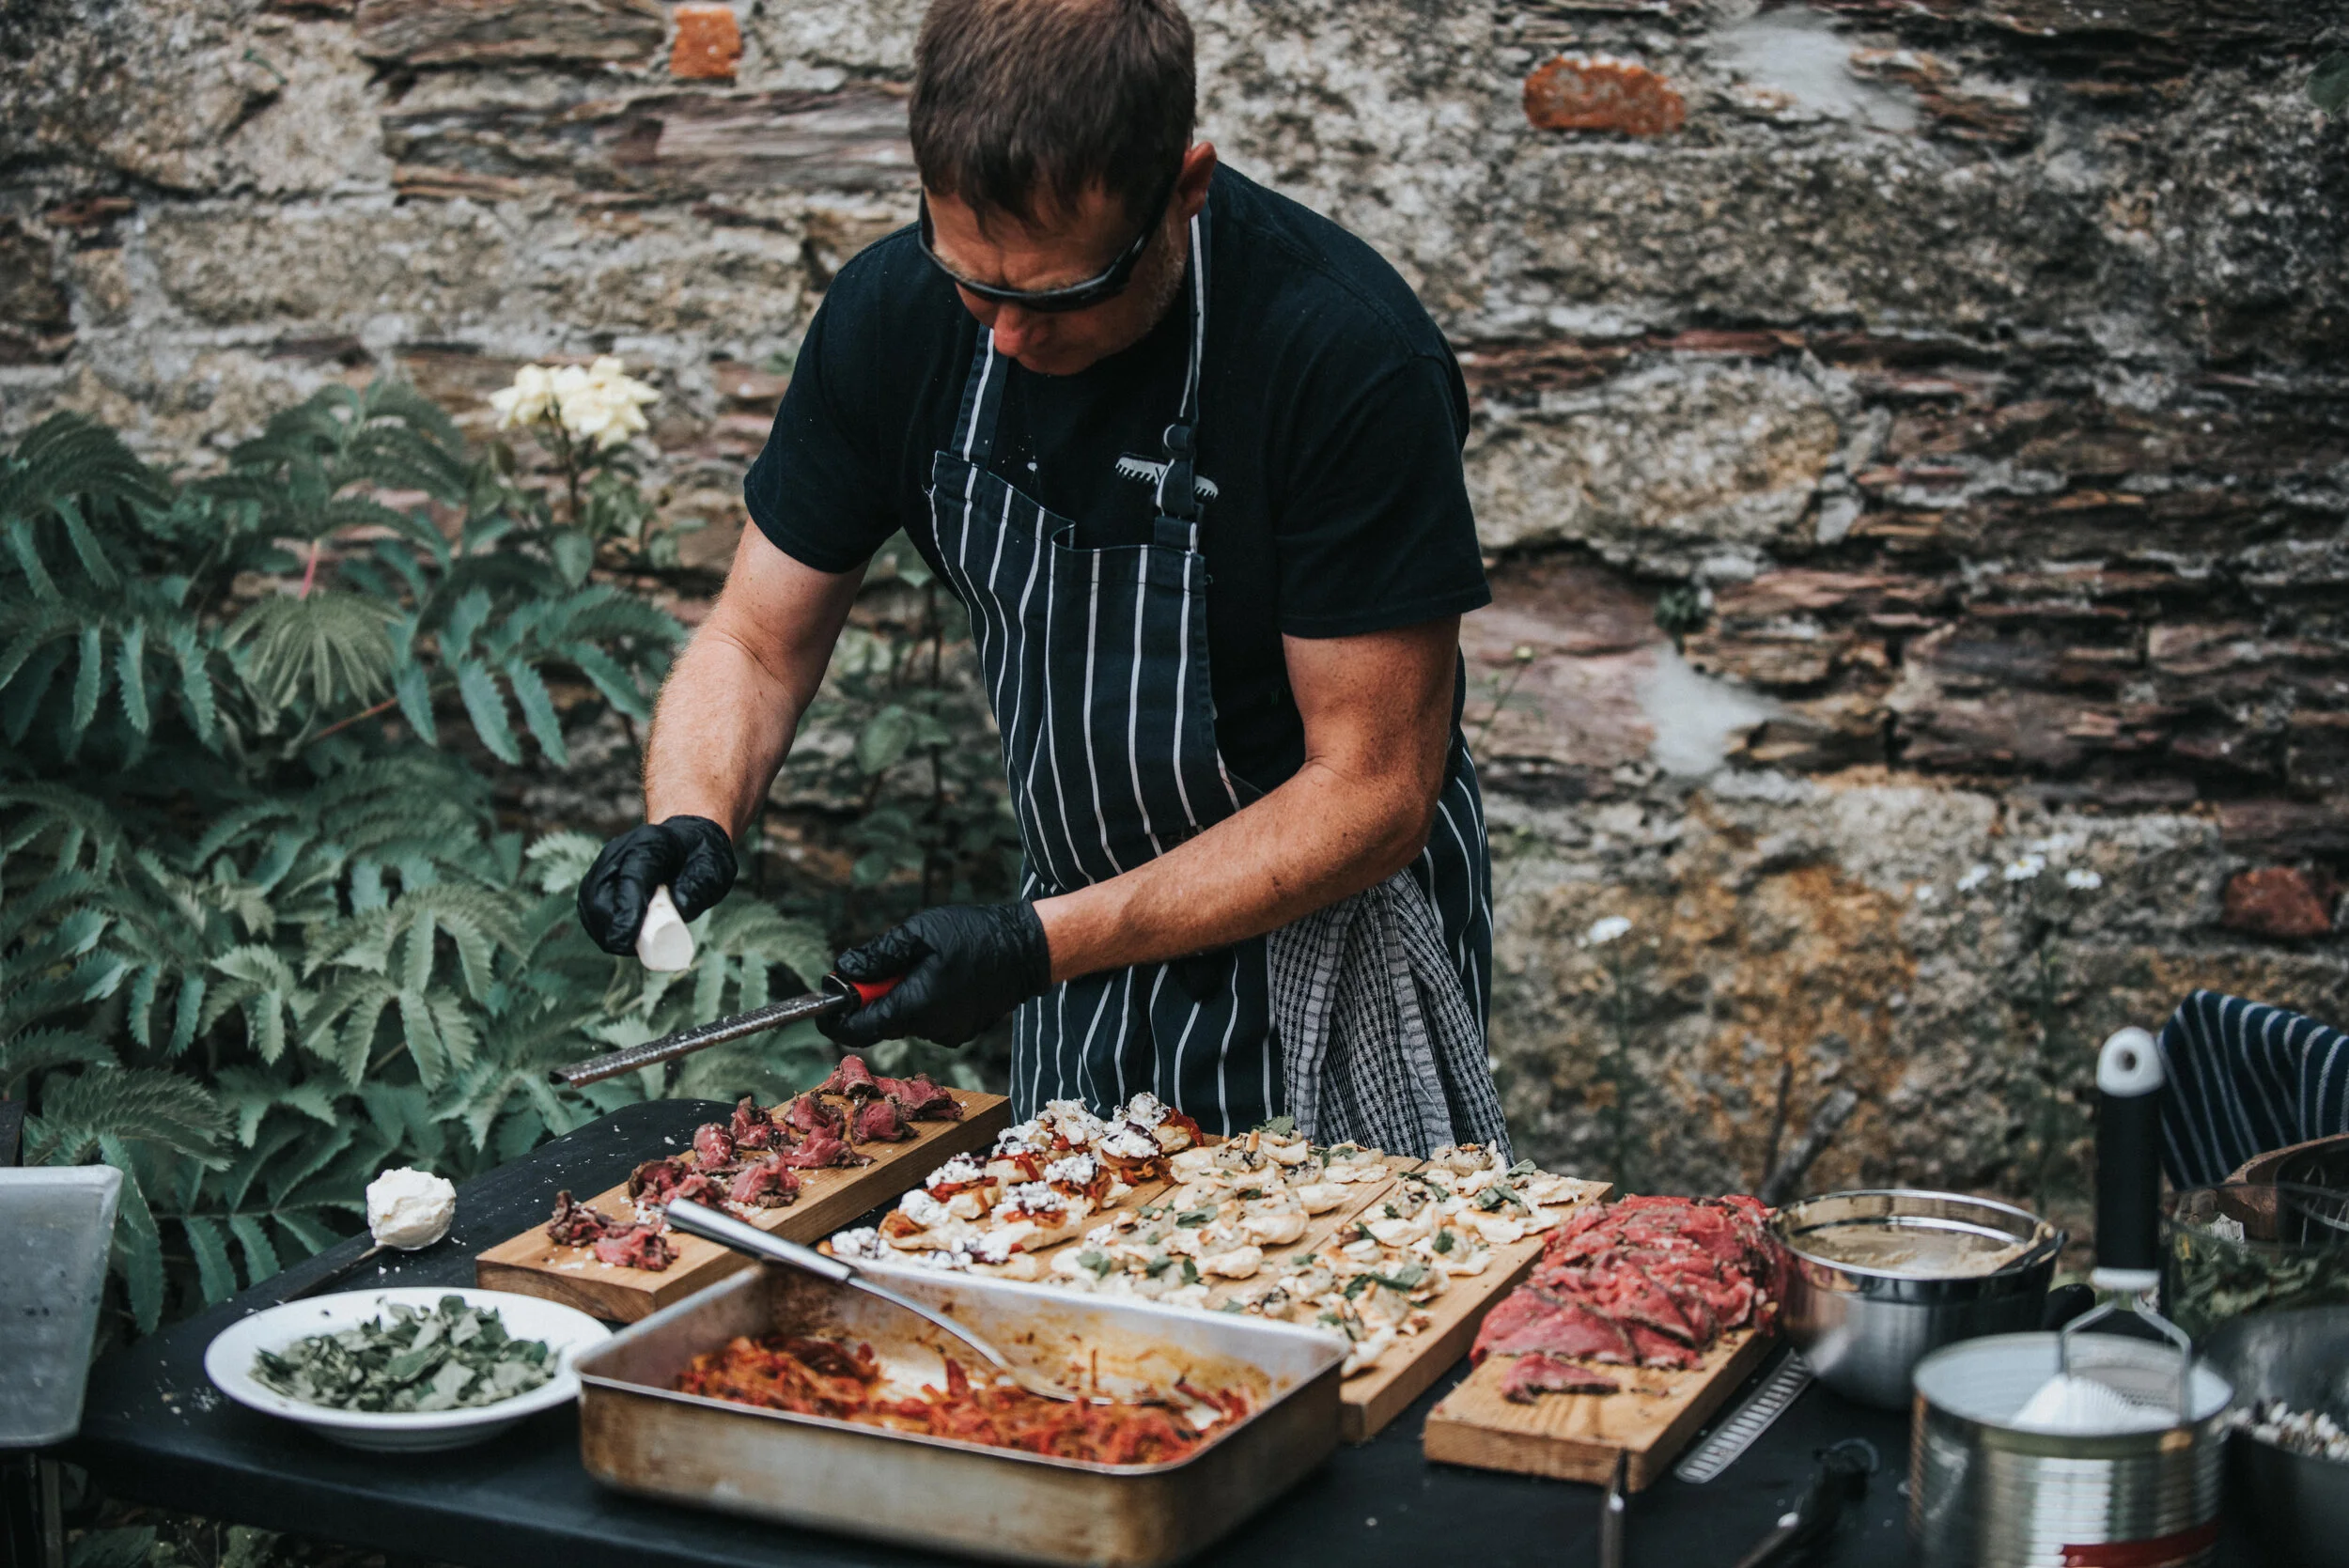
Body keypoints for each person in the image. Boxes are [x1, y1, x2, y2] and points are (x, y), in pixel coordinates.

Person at [577, 0, 1507, 1156]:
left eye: (1059, 296)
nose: (1008, 338)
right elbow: (755, 642)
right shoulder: (895, 316)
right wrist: (690, 813)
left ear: (1185, 185)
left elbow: (1372, 792)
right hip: (1072, 928)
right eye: (975, 284)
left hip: (1326, 950)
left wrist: (1033, 945)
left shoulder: (1342, 356)